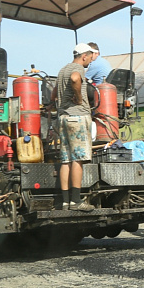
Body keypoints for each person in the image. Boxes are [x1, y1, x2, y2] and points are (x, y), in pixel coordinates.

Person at [52, 43, 95, 211]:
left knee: (65, 161)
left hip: (62, 118)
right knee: (78, 160)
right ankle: (76, 201)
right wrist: (78, 97)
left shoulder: (63, 69)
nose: (89, 62)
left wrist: (51, 104)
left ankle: (65, 201)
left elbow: (55, 90)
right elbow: (75, 79)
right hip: (77, 118)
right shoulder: (78, 69)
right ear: (84, 56)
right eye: (89, 59)